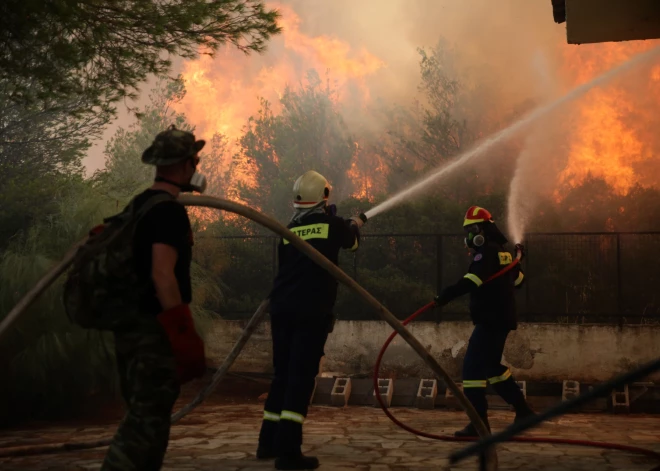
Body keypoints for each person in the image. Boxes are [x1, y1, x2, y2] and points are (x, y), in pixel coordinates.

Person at [101, 125, 207, 471]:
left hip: (129, 329)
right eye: (196, 159)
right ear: (186, 163)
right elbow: (163, 275)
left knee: (148, 417)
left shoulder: (141, 205)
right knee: (145, 423)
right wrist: (182, 332)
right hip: (153, 333)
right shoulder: (168, 211)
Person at [256, 170, 365, 470]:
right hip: (310, 311)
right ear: (325, 196)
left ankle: (268, 442)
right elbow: (352, 244)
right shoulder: (332, 225)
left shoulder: (289, 230)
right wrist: (353, 223)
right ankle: (289, 452)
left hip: (282, 310)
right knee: (301, 378)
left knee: (282, 375)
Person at [434, 206, 534, 437]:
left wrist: (445, 296)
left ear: (480, 229)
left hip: (490, 320)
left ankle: (479, 426)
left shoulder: (486, 252)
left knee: (471, 369)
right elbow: (518, 281)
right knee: (491, 367)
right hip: (501, 318)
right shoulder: (503, 252)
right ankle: (523, 411)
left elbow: (473, 280)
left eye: (470, 230)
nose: (468, 236)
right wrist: (516, 262)